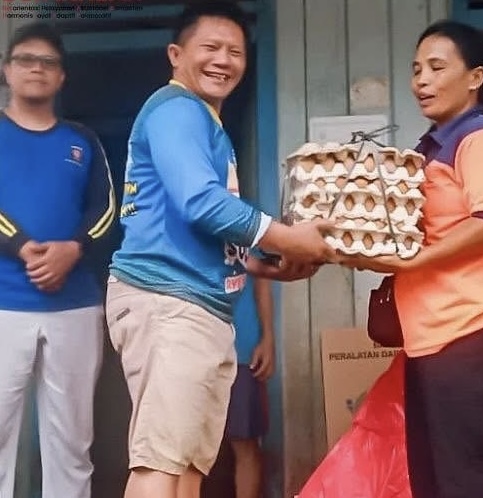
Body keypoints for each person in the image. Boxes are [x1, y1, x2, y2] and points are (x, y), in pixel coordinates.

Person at [105, 2, 335, 498]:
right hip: (169, 299)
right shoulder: (177, 110)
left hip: (199, 306)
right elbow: (201, 203)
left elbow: (208, 227)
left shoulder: (204, 122)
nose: (223, 61)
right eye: (210, 47)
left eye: (235, 52)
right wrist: (289, 237)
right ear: (176, 54)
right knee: (161, 463)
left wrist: (268, 266)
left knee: (188, 465)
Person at [341, 20, 483, 498]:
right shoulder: (432, 145)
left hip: (474, 320)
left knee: (467, 477)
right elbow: (419, 233)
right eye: (416, 69)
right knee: (433, 477)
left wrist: (411, 263)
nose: (421, 80)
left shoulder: (481, 138)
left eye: (436, 67)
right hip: (434, 328)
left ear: (475, 77)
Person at [0, 22, 116, 498]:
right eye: (26, 59)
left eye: (48, 62)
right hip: (3, 304)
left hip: (75, 306)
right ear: (7, 70)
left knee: (71, 445)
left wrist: (75, 248)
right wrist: (20, 244)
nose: (37, 69)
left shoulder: (82, 140)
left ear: (62, 76)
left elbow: (108, 208)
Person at [226, 278, 274, 498]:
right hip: (196, 349)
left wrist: (268, 339)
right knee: (185, 448)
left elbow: (262, 282)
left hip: (243, 348)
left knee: (245, 442)